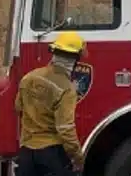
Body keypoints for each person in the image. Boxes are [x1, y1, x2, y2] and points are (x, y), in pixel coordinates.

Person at [15, 31, 87, 176]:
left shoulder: (30, 77)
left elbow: (18, 107)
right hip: (50, 154)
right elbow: (65, 129)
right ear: (75, 59)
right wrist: (78, 158)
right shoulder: (67, 88)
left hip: (26, 154)